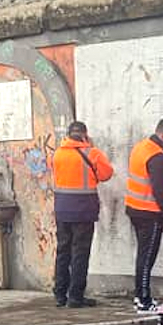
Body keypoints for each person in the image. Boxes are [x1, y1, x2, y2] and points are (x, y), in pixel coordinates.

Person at [52, 121, 114, 308]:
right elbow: (106, 174)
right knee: (80, 253)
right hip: (83, 210)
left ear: (68, 134)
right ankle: (76, 296)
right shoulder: (92, 153)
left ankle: (60, 294)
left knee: (63, 251)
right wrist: (91, 148)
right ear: (85, 135)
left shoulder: (58, 153)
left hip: (62, 209)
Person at [125, 118, 163, 313]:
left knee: (142, 255)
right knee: (147, 257)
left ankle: (139, 295)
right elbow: (159, 190)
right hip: (149, 212)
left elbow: (150, 168)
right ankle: (144, 300)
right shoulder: (157, 156)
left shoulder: (143, 147)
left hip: (135, 208)